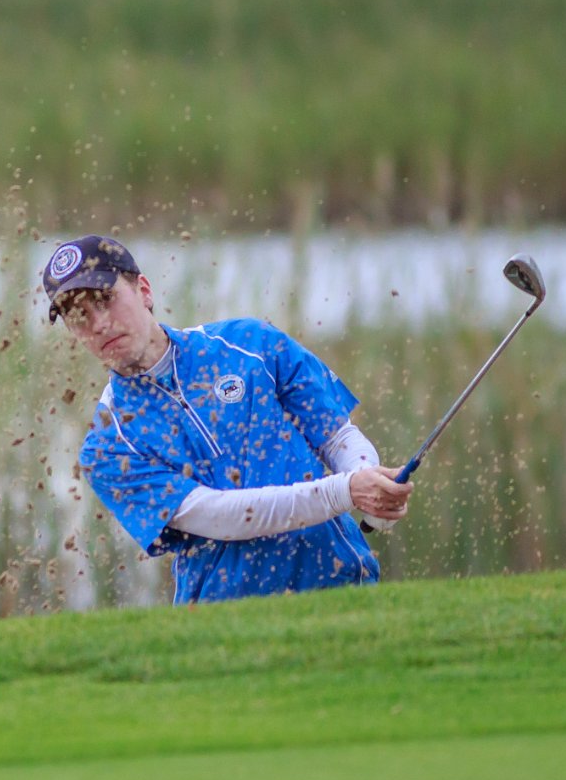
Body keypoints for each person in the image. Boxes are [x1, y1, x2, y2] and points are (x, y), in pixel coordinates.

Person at [46, 234, 413, 604]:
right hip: (227, 617)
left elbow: (337, 437)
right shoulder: (108, 446)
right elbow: (220, 516)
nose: (99, 324)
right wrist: (347, 490)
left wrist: (371, 484)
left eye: (106, 300)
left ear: (143, 290)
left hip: (343, 583)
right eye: (79, 316)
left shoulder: (250, 343)